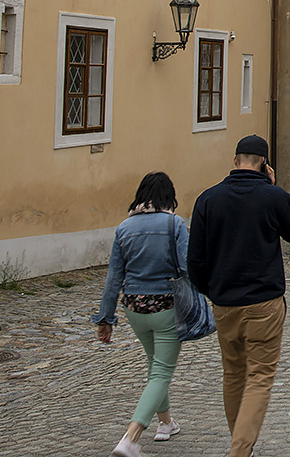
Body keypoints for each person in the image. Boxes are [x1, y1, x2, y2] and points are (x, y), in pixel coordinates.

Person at [188, 135, 290, 457]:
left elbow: (194, 258)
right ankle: (240, 451)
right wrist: (274, 187)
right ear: (265, 164)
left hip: (224, 301)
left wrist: (209, 291)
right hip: (264, 300)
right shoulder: (273, 196)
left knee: (233, 374)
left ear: (235, 160)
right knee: (260, 376)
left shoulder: (208, 199)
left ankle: (240, 443)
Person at [93, 172, 187, 457]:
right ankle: (130, 438)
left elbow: (113, 278)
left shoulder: (124, 227)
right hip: (166, 307)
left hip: (134, 308)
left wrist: (106, 319)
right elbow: (187, 268)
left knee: (154, 364)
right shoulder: (175, 224)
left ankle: (166, 424)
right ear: (168, 197)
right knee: (161, 372)